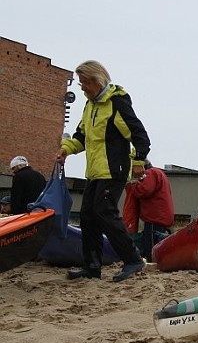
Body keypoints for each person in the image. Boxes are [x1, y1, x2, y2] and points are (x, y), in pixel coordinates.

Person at [58, 60, 149, 282]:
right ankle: (92, 266)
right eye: (80, 85)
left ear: (97, 81)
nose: (82, 89)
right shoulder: (90, 106)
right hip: (95, 171)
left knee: (104, 212)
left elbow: (139, 135)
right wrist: (66, 150)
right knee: (88, 216)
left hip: (114, 169)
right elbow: (82, 136)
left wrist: (139, 161)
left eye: (84, 84)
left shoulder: (116, 102)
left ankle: (133, 259)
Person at [122, 160, 175, 261]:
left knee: (150, 243)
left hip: (154, 217)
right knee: (159, 240)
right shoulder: (159, 173)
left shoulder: (150, 173)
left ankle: (152, 259)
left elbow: (144, 190)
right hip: (162, 216)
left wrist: (132, 186)